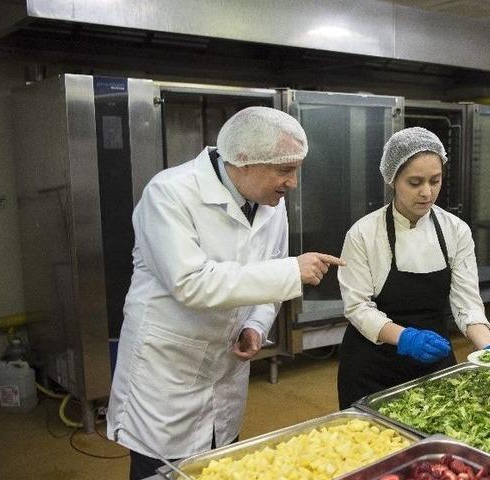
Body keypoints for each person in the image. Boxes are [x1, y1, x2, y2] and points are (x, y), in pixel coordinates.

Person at [106, 107, 345, 480]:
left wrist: (255, 323)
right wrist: (290, 271)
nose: (293, 183)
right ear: (244, 161)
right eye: (285, 169)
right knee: (163, 472)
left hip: (225, 366)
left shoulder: (270, 205)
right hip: (170, 370)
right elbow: (191, 283)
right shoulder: (170, 194)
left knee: (221, 465)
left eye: (296, 169)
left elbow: (268, 282)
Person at [336, 127, 490, 409]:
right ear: (392, 180)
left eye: (435, 181)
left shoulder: (455, 231)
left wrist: (489, 349)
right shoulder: (363, 234)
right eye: (415, 182)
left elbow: (467, 303)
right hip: (372, 364)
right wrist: (405, 338)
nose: (427, 192)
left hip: (434, 358)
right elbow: (357, 307)